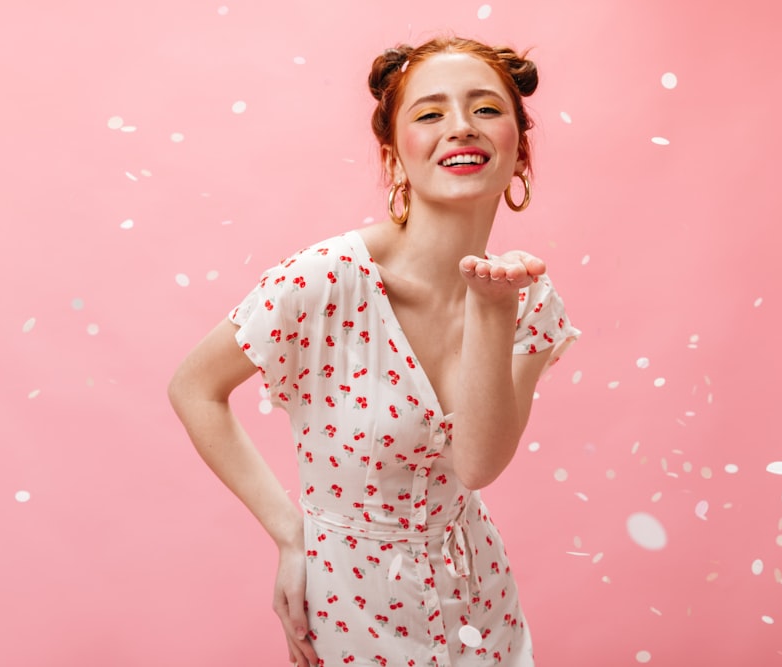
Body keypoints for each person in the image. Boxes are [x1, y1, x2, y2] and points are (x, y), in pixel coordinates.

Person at [168, 35, 580, 667]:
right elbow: (194, 386)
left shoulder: (524, 295)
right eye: (430, 113)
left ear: (519, 152)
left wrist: (492, 311)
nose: (462, 128)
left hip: (480, 601)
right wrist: (291, 536)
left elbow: (477, 464)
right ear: (394, 158)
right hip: (350, 605)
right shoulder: (324, 280)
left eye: (486, 109)